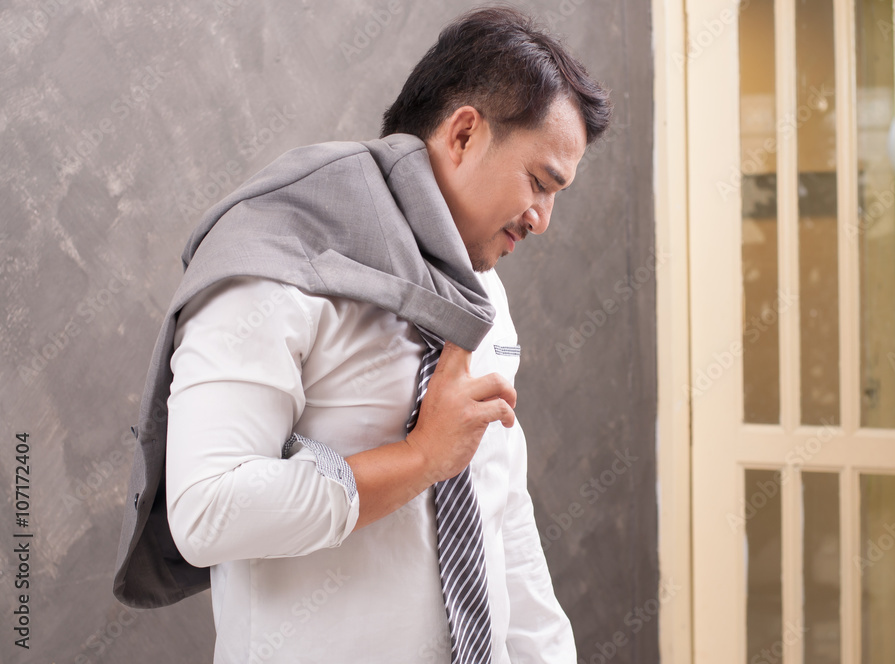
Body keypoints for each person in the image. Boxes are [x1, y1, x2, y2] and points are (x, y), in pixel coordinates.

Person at [113, 6, 611, 663]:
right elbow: (207, 512)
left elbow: (500, 505)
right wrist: (420, 460)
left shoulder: (481, 290)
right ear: (464, 134)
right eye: (539, 183)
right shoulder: (275, 272)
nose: (543, 218)